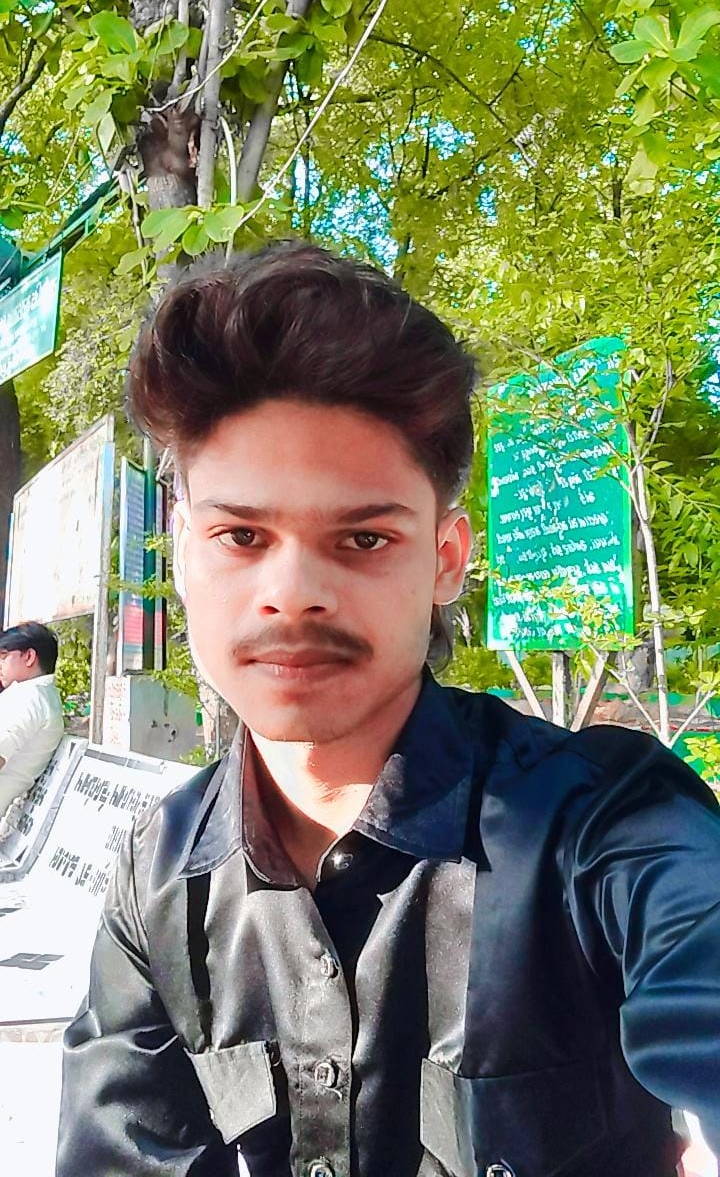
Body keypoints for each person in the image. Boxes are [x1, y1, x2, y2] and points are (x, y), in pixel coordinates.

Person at [56, 243, 720, 1177]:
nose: (292, 593)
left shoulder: (605, 826)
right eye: (241, 535)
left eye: (364, 538)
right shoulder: (155, 879)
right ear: (183, 551)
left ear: (446, 560)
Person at [0, 620, 64, 818]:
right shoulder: (38, 694)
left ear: (29, 657)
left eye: (4, 657)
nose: (0, 665)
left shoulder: (31, 698)